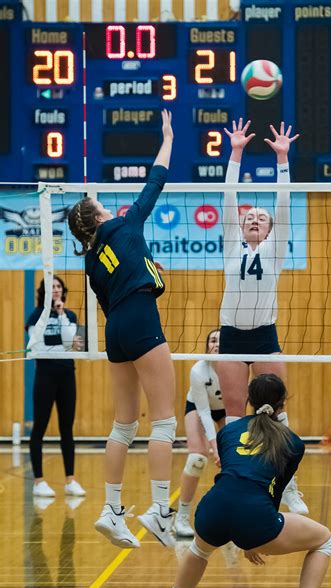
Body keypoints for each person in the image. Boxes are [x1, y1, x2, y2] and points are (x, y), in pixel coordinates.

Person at [155, 374, 331, 588]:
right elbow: (274, 491)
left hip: (212, 506)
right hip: (256, 515)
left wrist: (248, 536)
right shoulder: (294, 443)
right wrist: (254, 540)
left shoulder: (228, 431)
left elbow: (232, 475)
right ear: (282, 405)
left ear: (249, 401)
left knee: (199, 550)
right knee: (324, 540)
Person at [67, 110, 176, 548]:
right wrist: (167, 136)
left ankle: (111, 510)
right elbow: (157, 180)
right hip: (140, 319)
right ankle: (160, 511)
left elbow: (110, 294)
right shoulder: (125, 224)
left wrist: (147, 268)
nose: (107, 206)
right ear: (97, 218)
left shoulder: (91, 260)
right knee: (164, 421)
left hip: (115, 329)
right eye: (100, 206)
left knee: (124, 425)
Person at [217, 118, 308, 515]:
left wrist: (283, 160)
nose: (254, 219)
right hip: (232, 338)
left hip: (265, 336)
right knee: (236, 415)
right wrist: (235, 152)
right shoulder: (230, 247)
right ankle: (235, 480)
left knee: (278, 412)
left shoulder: (275, 250)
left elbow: (284, 204)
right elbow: (227, 196)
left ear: (271, 230)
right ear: (240, 225)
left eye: (262, 218)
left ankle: (288, 486)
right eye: (249, 216)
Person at [27, 275, 85, 499]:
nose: (56, 290)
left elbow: (74, 344)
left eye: (59, 286)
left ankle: (70, 480)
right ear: (44, 292)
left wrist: (61, 315)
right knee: (40, 427)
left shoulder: (69, 315)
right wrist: (64, 345)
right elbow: (37, 344)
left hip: (66, 375)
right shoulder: (36, 316)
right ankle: (39, 481)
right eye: (52, 287)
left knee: (66, 429)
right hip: (45, 376)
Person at [175, 329, 225, 537]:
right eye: (213, 340)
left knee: (234, 459)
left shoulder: (238, 368)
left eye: (222, 341)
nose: (216, 345)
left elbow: (236, 409)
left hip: (226, 410)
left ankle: (229, 514)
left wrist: (225, 449)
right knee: (197, 459)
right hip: (197, 407)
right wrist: (214, 448)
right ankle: (182, 517)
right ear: (207, 345)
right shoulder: (198, 370)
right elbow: (204, 412)